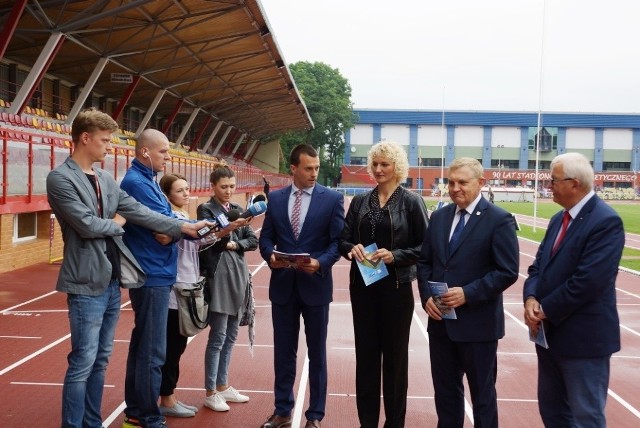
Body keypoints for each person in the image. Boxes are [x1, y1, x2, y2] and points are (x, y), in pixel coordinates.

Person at [46, 109, 213, 428]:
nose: (109, 146)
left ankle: (92, 423)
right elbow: (87, 225)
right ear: (85, 138)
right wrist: (119, 222)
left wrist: (185, 228)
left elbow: (139, 212)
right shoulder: (60, 178)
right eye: (105, 140)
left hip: (111, 282)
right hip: (84, 283)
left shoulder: (106, 179)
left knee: (100, 362)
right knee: (82, 361)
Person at [120, 129, 214, 428]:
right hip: (152, 273)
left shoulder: (146, 180)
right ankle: (147, 416)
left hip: (156, 270)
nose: (168, 156)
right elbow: (165, 224)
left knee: (143, 346)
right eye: (163, 151)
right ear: (145, 152)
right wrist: (181, 228)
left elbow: (169, 225)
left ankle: (137, 411)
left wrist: (176, 228)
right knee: (152, 350)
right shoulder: (137, 182)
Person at [523, 152, 625, 427]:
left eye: (553, 181)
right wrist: (531, 297)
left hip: (583, 342)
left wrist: (545, 309)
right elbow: (537, 268)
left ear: (575, 183)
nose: (549, 186)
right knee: (553, 413)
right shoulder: (559, 219)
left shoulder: (605, 222)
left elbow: (588, 282)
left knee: (586, 416)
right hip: (549, 338)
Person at [417, 157, 519, 428]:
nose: (455, 188)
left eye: (462, 182)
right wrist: (427, 295)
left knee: (483, 398)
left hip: (478, 327)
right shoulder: (439, 217)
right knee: (446, 397)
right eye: (451, 182)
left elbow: (507, 271)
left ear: (481, 183)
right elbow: (425, 262)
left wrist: (468, 293)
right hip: (440, 325)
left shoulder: (499, 220)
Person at [338, 141, 428, 428]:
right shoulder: (360, 201)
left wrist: (396, 256)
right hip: (363, 288)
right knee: (365, 360)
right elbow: (343, 239)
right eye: (375, 164)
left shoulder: (412, 202)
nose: (378, 169)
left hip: (397, 290)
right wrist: (351, 249)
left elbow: (427, 247)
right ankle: (367, 424)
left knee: (395, 362)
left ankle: (394, 424)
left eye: (384, 164)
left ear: (396, 167)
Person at [258, 144, 345, 428]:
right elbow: (266, 238)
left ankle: (315, 416)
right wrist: (270, 256)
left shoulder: (332, 199)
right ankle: (282, 411)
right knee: (283, 353)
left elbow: (337, 243)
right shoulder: (276, 198)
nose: (314, 173)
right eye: (308, 168)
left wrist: (320, 263)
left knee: (317, 353)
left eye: (316, 168)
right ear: (293, 169)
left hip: (316, 286)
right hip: (283, 286)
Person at [157, 173, 224, 418]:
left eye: (187, 189)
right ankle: (167, 397)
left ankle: (169, 395)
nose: (186, 193)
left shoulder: (184, 217)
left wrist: (220, 231)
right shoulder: (172, 218)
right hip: (175, 289)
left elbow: (197, 241)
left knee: (178, 345)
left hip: (186, 285)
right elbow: (190, 237)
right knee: (172, 346)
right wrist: (217, 230)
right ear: (167, 195)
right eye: (179, 191)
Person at [197, 163, 257, 412]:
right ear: (213, 186)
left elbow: (252, 240)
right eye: (224, 187)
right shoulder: (206, 208)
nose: (229, 191)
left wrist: (236, 244)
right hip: (218, 275)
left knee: (232, 334)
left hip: (239, 276)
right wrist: (228, 233)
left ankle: (222, 385)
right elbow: (205, 239)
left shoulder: (238, 209)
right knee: (218, 335)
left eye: (232, 186)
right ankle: (210, 390)